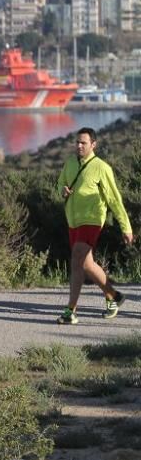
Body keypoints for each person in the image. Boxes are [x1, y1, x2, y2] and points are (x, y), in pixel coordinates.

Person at [56, 127, 134, 324]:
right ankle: (113, 296)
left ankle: (70, 311)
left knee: (76, 261)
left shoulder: (101, 167)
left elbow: (115, 200)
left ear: (93, 145)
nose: (79, 145)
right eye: (77, 142)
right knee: (87, 264)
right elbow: (60, 183)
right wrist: (62, 190)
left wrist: (126, 227)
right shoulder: (70, 163)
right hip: (73, 220)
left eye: (83, 142)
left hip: (92, 220)